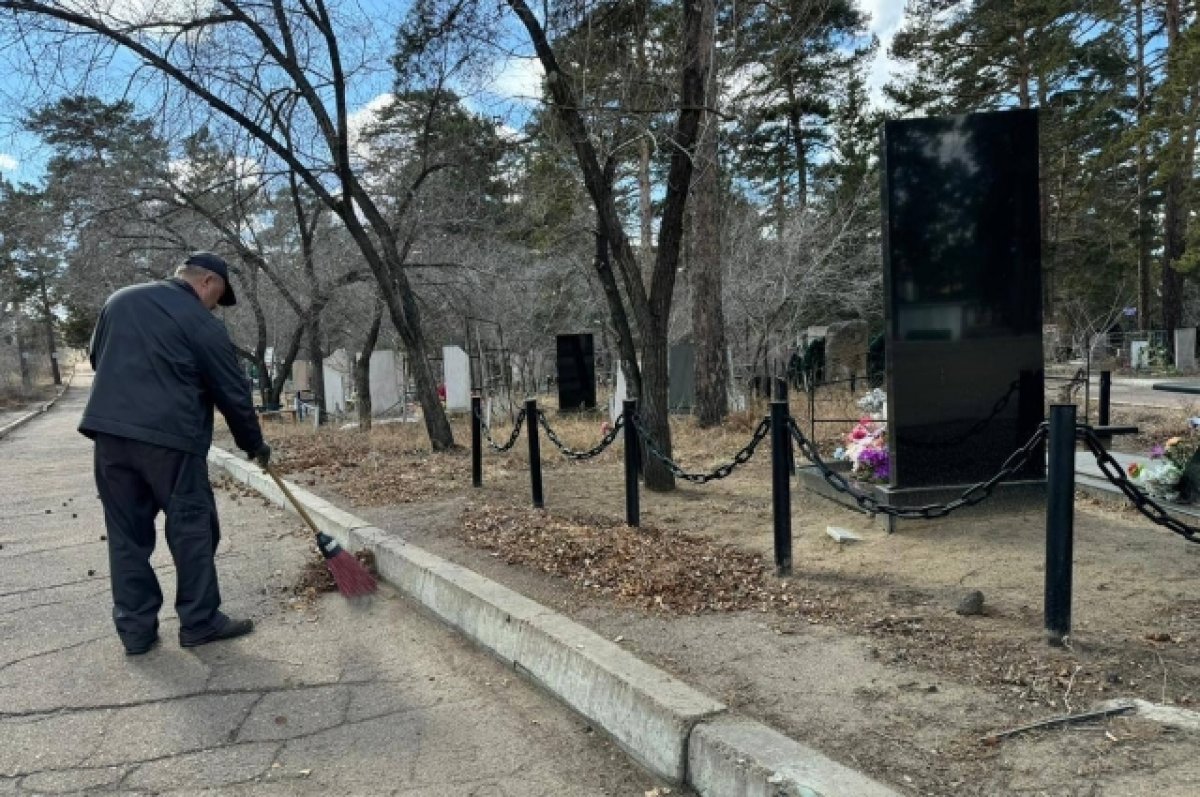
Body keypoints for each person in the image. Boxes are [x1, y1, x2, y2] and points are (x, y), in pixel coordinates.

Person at [80, 252, 271, 655]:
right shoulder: (201, 322)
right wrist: (254, 445)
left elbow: (99, 357)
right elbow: (232, 393)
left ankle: (136, 632)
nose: (216, 305)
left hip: (111, 437)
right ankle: (200, 622)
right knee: (192, 528)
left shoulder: (120, 300)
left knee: (126, 537)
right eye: (218, 296)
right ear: (207, 283)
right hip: (172, 443)